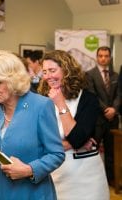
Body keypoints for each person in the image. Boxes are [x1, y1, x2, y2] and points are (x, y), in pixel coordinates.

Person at [0, 50, 65, 200]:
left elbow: (57, 154)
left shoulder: (41, 106)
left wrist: (28, 169)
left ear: (14, 80)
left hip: (31, 193)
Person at [38, 50, 109, 200]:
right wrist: (71, 144)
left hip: (86, 177)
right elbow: (35, 139)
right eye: (44, 72)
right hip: (54, 172)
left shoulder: (88, 99)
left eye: (52, 70)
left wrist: (60, 103)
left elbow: (77, 138)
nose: (48, 76)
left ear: (67, 70)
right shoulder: (40, 101)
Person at [86, 46, 119, 184]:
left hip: (113, 120)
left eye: (106, 56)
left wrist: (114, 109)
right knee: (93, 151)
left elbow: (120, 95)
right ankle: (92, 179)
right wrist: (107, 110)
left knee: (112, 152)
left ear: (110, 58)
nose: (103, 58)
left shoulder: (116, 75)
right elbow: (92, 95)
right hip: (98, 120)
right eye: (100, 55)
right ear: (96, 57)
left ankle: (111, 180)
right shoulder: (89, 74)